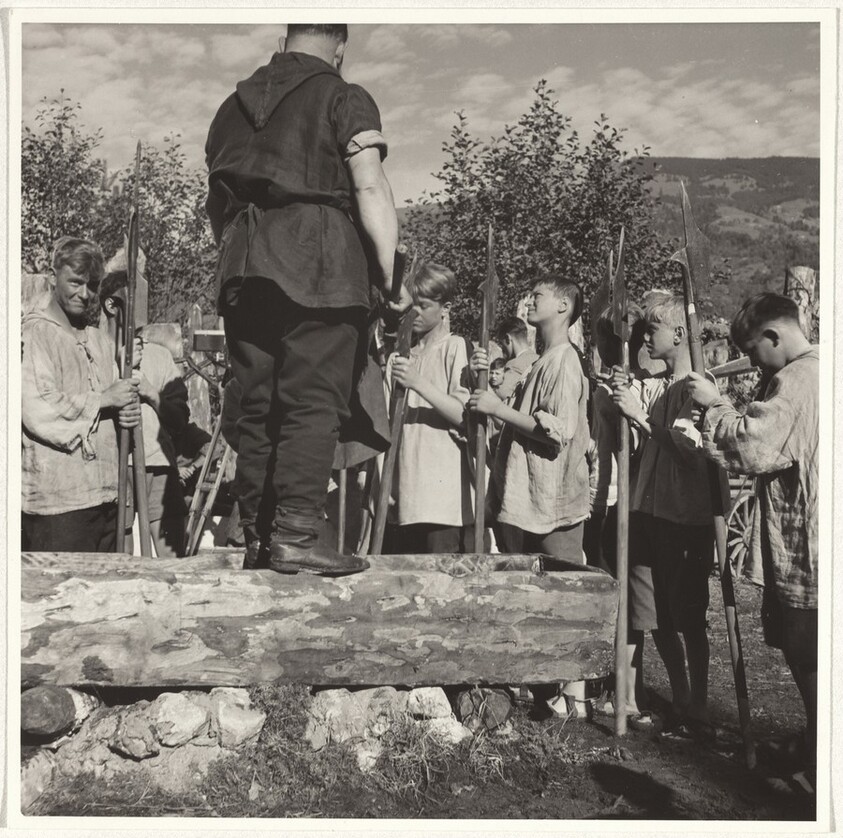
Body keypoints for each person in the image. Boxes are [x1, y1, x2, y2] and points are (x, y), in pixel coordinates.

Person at [205, 24, 410, 574]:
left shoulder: (230, 107)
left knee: (259, 404)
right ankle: (295, 536)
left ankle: (258, 538)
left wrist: (240, 257)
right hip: (319, 262)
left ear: (284, 39)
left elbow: (215, 210)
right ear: (340, 47)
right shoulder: (344, 94)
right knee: (312, 398)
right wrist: (391, 278)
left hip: (243, 267)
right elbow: (368, 185)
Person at [686, 292, 818, 789]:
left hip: (811, 544)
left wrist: (715, 405)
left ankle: (822, 755)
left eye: (754, 350)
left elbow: (754, 446)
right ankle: (814, 740)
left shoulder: (798, 378)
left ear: (774, 336)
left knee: (809, 654)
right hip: (819, 536)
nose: (753, 362)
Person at [469, 276, 590, 718]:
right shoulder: (541, 359)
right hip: (529, 500)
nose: (530, 301)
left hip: (553, 503)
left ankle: (575, 697)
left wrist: (498, 410)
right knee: (539, 595)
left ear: (562, 305)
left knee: (564, 596)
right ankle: (546, 689)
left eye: (538, 295)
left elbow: (557, 431)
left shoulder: (563, 362)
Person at [611, 293, 727, 741]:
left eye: (652, 330)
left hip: (683, 518)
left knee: (688, 615)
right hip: (648, 509)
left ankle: (698, 707)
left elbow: (687, 449)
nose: (644, 338)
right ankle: (679, 698)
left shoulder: (697, 386)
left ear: (678, 335)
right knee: (652, 614)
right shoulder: (659, 387)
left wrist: (640, 420)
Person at [21, 237, 140, 552]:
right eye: (75, 282)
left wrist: (126, 410)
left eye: (92, 285)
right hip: (59, 505)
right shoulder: (35, 334)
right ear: (52, 276)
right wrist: (104, 400)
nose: (84, 294)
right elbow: (38, 409)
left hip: (106, 497)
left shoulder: (97, 340)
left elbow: (115, 403)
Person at [584, 301, 657, 728]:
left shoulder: (631, 390)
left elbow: (631, 447)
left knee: (628, 603)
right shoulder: (603, 390)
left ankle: (629, 691)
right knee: (611, 598)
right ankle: (617, 687)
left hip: (622, 504)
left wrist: (621, 398)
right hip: (603, 500)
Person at [385, 263, 475, 553]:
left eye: (424, 306)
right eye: (412, 306)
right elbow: (383, 425)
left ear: (445, 307)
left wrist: (417, 382)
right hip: (404, 491)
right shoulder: (398, 358)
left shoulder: (455, 347)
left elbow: (463, 415)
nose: (416, 314)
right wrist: (379, 482)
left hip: (443, 498)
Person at [99, 270, 190, 557]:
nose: (143, 309)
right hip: (116, 466)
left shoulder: (160, 356)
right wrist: (119, 366)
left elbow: (180, 419)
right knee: (122, 561)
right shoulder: (94, 350)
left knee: (171, 563)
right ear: (111, 305)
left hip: (160, 465)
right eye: (134, 299)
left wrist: (151, 392)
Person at [494, 315, 539, 403]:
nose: (503, 351)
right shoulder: (539, 358)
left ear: (508, 338)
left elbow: (497, 398)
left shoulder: (513, 365)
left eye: (502, 345)